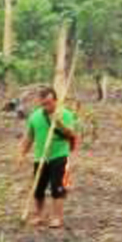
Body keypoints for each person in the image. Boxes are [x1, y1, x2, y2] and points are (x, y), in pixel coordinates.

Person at [18, 86, 79, 228]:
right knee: (38, 188)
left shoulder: (66, 114)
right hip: (40, 157)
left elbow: (71, 135)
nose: (46, 106)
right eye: (43, 104)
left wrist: (59, 124)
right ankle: (39, 216)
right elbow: (29, 137)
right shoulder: (35, 116)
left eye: (49, 103)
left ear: (56, 101)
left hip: (59, 155)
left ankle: (57, 218)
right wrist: (22, 153)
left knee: (57, 188)